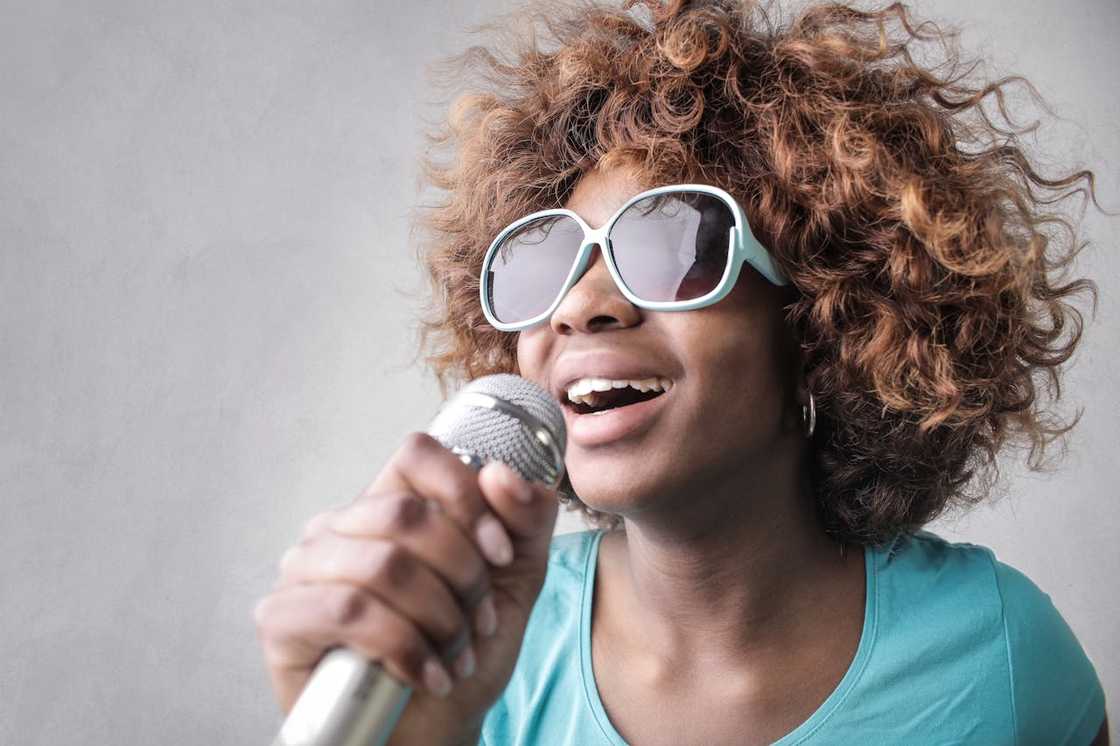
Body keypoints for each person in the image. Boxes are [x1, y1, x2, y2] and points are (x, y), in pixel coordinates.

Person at [253, 0, 1110, 743]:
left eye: (670, 246)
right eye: (546, 258)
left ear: (820, 322)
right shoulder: (465, 650)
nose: (581, 305)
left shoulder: (1002, 654)